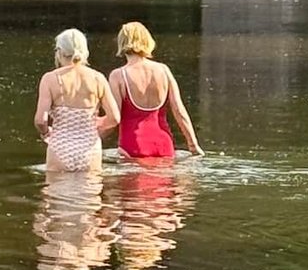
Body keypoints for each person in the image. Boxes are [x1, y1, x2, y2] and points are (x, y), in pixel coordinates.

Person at [107, 21, 204, 160]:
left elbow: (113, 119)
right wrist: (193, 145)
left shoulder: (118, 76)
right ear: (147, 41)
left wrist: (90, 139)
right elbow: (179, 111)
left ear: (121, 42)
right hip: (164, 146)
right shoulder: (164, 70)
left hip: (133, 146)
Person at [35, 28, 120, 174]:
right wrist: (99, 123)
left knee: (56, 195)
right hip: (89, 149)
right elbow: (115, 118)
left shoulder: (50, 79)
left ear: (60, 51)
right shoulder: (97, 78)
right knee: (89, 194)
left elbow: (40, 121)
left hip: (60, 148)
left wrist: (46, 133)